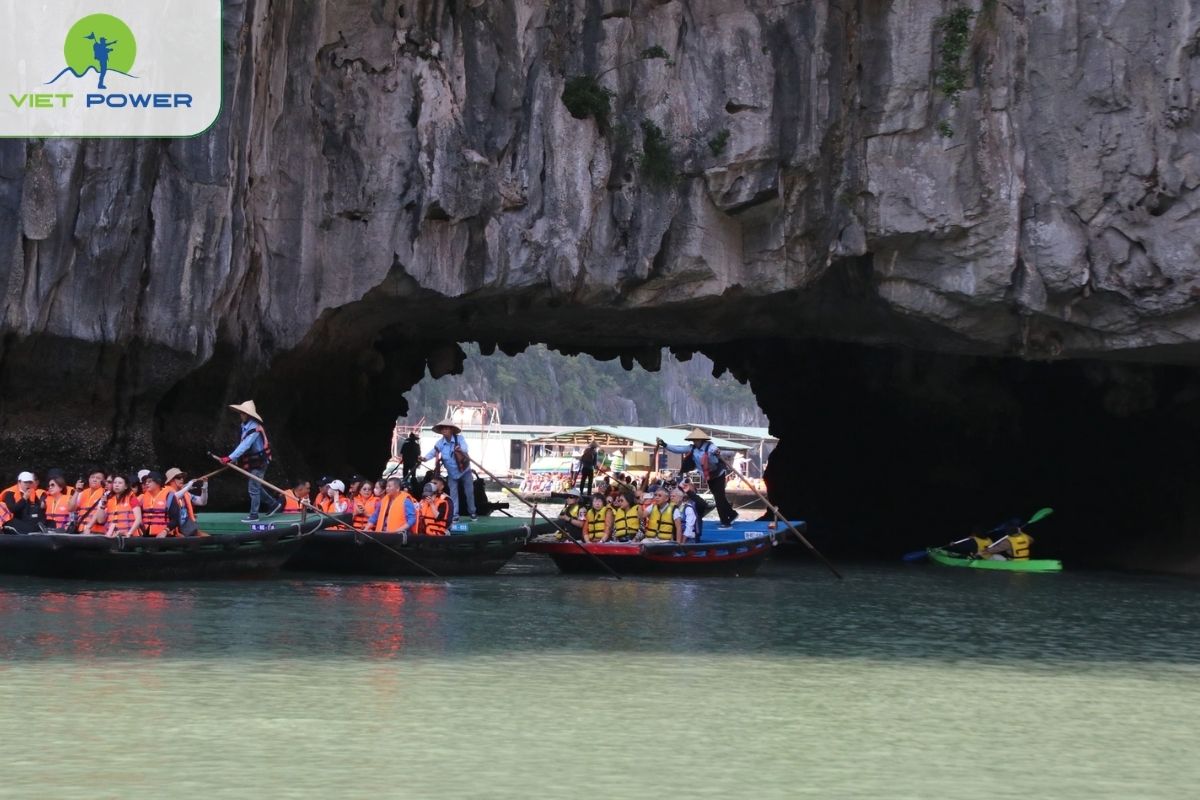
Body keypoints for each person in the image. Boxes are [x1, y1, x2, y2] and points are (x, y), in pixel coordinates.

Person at [659, 429, 737, 528]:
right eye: (694, 440)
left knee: (719, 498)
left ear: (702, 440)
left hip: (718, 475)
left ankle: (725, 522)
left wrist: (716, 451)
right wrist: (665, 445)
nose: (695, 442)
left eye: (697, 440)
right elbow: (678, 449)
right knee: (719, 497)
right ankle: (733, 514)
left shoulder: (710, 446)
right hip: (709, 477)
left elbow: (714, 449)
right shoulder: (692, 449)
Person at [218, 400, 279, 521]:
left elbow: (245, 445)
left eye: (243, 413)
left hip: (260, 462)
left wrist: (230, 457)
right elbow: (240, 444)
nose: (241, 415)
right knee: (255, 486)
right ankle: (273, 504)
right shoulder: (244, 426)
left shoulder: (255, 428)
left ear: (249, 415)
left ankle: (254, 515)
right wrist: (233, 459)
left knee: (253, 487)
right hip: (253, 461)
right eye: (240, 413)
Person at [424, 419, 476, 520]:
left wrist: (460, 449)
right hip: (452, 473)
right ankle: (455, 515)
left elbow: (465, 448)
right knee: (453, 494)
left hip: (465, 471)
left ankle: (472, 512)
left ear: (451, 430)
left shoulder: (459, 439)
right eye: (442, 428)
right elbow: (432, 452)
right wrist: (424, 458)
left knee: (469, 492)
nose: (444, 430)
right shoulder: (440, 443)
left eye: (446, 428)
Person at [140, 472, 184, 537]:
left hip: (165, 536)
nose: (146, 483)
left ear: (158, 482)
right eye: (146, 482)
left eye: (149, 481)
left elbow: (175, 519)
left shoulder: (169, 496)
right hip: (146, 536)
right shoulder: (144, 497)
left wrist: (165, 531)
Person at [166, 468, 207, 533]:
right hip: (172, 527)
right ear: (171, 480)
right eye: (179, 477)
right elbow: (174, 497)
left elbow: (202, 502)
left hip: (186, 526)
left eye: (182, 477)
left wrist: (205, 486)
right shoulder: (166, 492)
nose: (182, 479)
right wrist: (187, 487)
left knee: (201, 536)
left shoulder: (186, 493)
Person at [71, 468, 109, 533]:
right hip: (80, 530)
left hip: (96, 532)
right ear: (88, 479)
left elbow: (100, 520)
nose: (94, 480)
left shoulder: (106, 494)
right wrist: (77, 491)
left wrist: (89, 526)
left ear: (104, 481)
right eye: (92, 477)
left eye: (98, 478)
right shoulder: (82, 493)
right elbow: (70, 508)